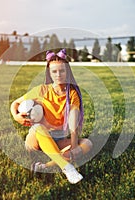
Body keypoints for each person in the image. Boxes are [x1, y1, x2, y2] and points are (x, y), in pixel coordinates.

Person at [10, 49, 93, 184]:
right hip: (36, 141)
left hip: (58, 140)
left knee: (87, 144)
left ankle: (43, 166)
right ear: (49, 72)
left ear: (68, 72)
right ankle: (67, 168)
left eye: (62, 71)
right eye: (54, 71)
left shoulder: (72, 94)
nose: (58, 75)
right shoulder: (41, 90)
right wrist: (16, 116)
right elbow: (15, 103)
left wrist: (74, 146)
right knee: (38, 128)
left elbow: (73, 122)